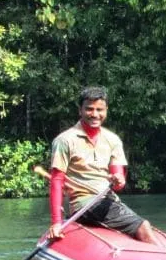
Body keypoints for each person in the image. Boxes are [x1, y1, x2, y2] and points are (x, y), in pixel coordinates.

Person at [45, 86, 157, 244]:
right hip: (84, 204)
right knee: (143, 227)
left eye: (100, 109)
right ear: (80, 110)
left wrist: (118, 180)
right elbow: (56, 180)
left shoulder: (113, 140)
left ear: (106, 110)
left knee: (134, 228)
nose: (95, 114)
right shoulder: (65, 140)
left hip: (108, 201)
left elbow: (119, 183)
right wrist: (56, 222)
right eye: (89, 109)